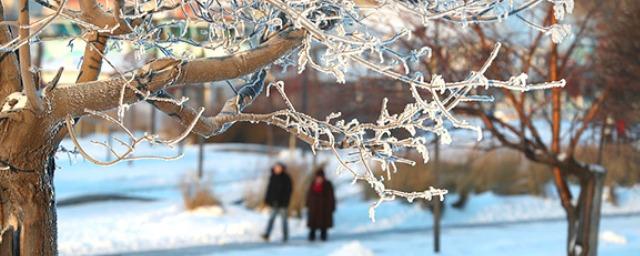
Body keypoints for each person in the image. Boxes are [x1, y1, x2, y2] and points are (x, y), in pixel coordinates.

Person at [262, 162, 293, 242]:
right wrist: (267, 200)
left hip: (283, 204)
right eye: (276, 168)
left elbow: (289, 191)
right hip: (274, 203)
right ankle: (267, 234)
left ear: (282, 168)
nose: (277, 169)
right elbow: (269, 190)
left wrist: (285, 201)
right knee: (271, 219)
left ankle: (285, 236)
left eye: (278, 168)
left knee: (284, 221)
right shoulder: (272, 177)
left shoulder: (286, 178)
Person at [306, 168, 336, 242]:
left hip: (324, 208)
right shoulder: (313, 184)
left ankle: (323, 235)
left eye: (320, 177)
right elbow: (309, 195)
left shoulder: (328, 184)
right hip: (314, 207)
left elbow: (331, 196)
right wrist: (307, 204)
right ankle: (312, 235)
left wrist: (332, 206)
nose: (319, 179)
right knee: (313, 223)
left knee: (324, 224)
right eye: (318, 177)